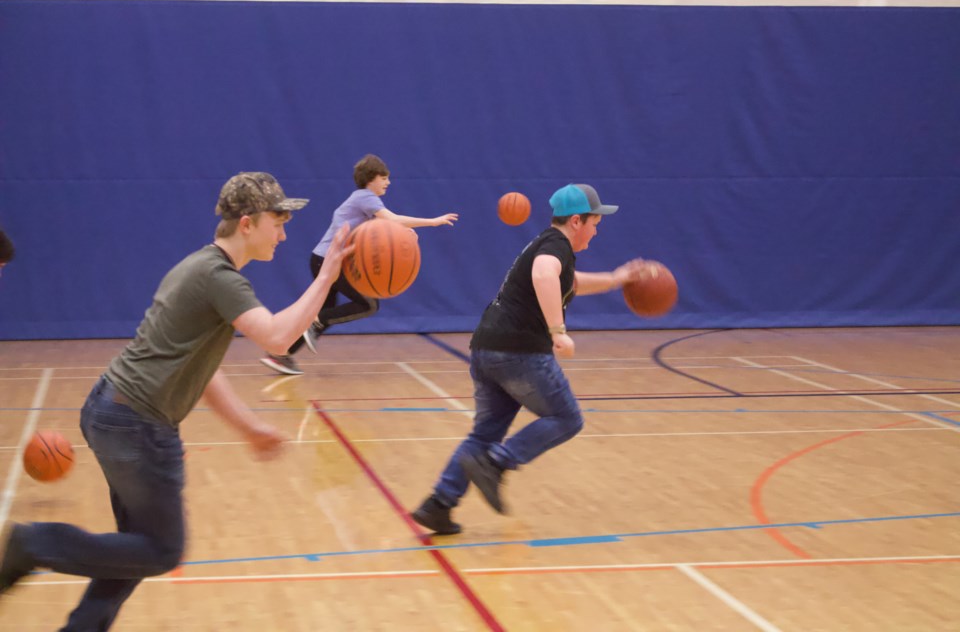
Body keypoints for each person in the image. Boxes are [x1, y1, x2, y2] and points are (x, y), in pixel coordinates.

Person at [0, 172, 351, 629]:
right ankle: (32, 544)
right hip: (135, 421)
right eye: (277, 221)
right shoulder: (218, 277)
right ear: (247, 224)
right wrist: (327, 277)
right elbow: (279, 338)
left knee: (134, 546)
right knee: (161, 550)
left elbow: (202, 373)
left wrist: (248, 428)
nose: (283, 233)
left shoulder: (200, 268)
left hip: (112, 410)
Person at [411, 183, 652, 535]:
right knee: (567, 418)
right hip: (518, 352)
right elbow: (544, 275)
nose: (597, 229)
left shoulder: (546, 244)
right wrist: (558, 330)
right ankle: (496, 464)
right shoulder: (555, 247)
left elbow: (568, 281)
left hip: (486, 348)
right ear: (575, 221)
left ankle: (439, 504)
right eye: (595, 222)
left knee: (485, 434)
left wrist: (616, 279)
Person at [260, 154, 458, 375]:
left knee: (319, 316)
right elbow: (391, 220)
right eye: (384, 178)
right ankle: (307, 330)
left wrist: (404, 233)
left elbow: (381, 230)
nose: (388, 182)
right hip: (328, 261)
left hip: (324, 260)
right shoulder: (365, 197)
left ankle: (280, 355)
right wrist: (432, 222)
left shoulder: (361, 202)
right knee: (367, 305)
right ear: (371, 178)